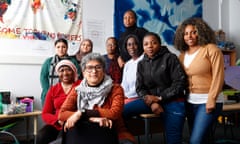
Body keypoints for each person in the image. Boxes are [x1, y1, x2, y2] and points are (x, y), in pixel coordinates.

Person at [58, 53, 136, 144]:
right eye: (89, 68)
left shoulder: (116, 89)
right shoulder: (77, 90)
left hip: (113, 132)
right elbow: (62, 114)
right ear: (84, 73)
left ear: (103, 71)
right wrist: (91, 119)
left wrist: (82, 113)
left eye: (98, 67)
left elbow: (114, 113)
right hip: (82, 132)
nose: (94, 71)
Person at [174, 17, 225, 144]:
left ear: (201, 32)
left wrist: (212, 99)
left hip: (208, 101)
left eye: (193, 32)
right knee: (203, 139)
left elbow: (219, 76)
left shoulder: (211, 49)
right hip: (190, 102)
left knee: (196, 140)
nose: (189, 36)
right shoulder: (182, 54)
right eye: (185, 33)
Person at [136, 32, 188, 144]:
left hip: (173, 101)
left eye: (153, 43)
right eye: (146, 44)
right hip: (150, 101)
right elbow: (140, 88)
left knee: (173, 138)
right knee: (123, 111)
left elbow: (180, 82)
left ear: (160, 44)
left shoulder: (170, 58)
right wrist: (152, 102)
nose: (150, 46)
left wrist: (159, 98)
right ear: (143, 47)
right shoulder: (141, 64)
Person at [37, 60, 81, 144]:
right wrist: (58, 121)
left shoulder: (81, 85)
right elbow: (45, 113)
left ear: (74, 72)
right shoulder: (53, 89)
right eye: (62, 70)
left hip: (74, 123)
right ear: (58, 74)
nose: (65, 73)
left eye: (68, 70)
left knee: (61, 140)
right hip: (57, 124)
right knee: (41, 136)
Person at [40, 38, 81, 105]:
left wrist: (70, 91)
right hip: (50, 93)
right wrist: (49, 91)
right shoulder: (49, 61)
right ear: (55, 48)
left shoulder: (73, 61)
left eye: (63, 47)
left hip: (68, 93)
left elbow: (77, 76)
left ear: (67, 48)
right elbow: (43, 78)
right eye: (58, 47)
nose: (61, 49)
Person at [121, 34, 153, 119]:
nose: (132, 47)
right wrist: (123, 96)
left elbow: (144, 86)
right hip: (129, 98)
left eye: (135, 44)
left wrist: (127, 98)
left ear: (140, 45)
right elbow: (124, 85)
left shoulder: (145, 60)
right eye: (129, 44)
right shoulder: (127, 64)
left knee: (119, 110)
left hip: (142, 98)